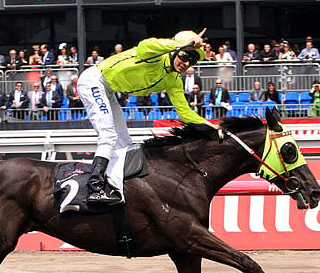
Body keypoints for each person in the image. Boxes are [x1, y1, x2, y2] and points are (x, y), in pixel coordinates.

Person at [77, 29, 216, 205]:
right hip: (94, 80)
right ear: (174, 51)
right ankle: (94, 188)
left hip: (109, 90)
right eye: (184, 56)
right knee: (108, 136)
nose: (186, 63)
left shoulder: (173, 80)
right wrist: (180, 44)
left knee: (125, 143)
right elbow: (145, 45)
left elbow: (185, 112)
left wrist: (212, 126)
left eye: (192, 60)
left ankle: (118, 186)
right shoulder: (155, 55)